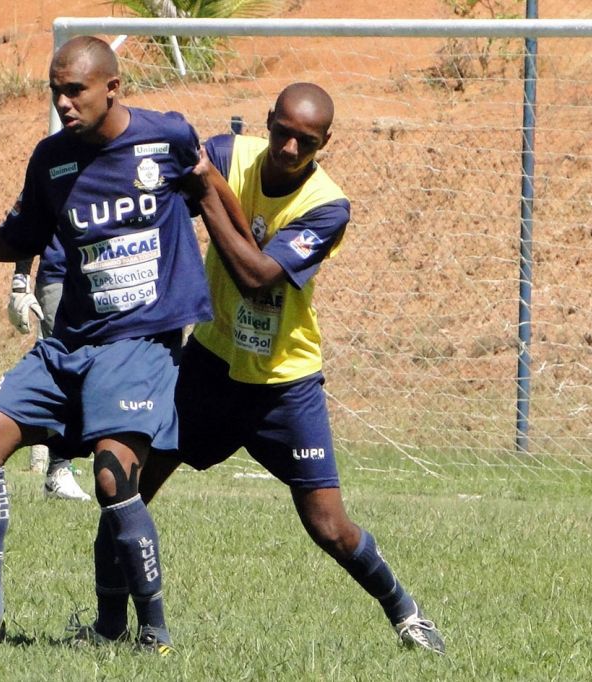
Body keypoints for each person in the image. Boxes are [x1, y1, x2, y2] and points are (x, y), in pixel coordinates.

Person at [85, 83, 447, 654]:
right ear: (268, 121)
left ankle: (405, 612)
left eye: (305, 141)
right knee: (123, 490)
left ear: (325, 143)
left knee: (329, 525)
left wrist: (206, 195)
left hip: (284, 383)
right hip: (209, 364)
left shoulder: (329, 207)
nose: (288, 147)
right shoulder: (229, 155)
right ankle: (108, 628)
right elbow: (160, 186)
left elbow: (256, 274)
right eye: (282, 131)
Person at [0, 35, 212, 654]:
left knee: (111, 480)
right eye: (56, 91)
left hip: (140, 342)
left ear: (112, 88)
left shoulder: (168, 139)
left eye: (76, 91)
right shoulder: (51, 160)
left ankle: (154, 633)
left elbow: (212, 190)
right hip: (70, 341)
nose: (65, 103)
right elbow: (19, 237)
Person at [8, 244, 91, 502]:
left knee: (98, 367)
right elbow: (29, 226)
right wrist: (20, 283)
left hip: (105, 277)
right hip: (59, 276)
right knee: (67, 365)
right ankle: (57, 469)